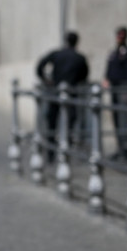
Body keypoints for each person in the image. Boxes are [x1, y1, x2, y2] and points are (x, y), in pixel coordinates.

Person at [35, 31, 89, 159]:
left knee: (52, 122)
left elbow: (40, 66)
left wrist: (46, 80)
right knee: (70, 123)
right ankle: (66, 150)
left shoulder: (57, 54)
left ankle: (51, 153)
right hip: (71, 93)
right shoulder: (79, 57)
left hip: (55, 92)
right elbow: (85, 75)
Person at [103, 26, 127, 161]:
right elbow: (109, 71)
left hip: (124, 92)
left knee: (125, 121)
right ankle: (121, 148)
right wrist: (106, 80)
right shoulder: (113, 53)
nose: (119, 39)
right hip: (115, 92)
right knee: (117, 120)